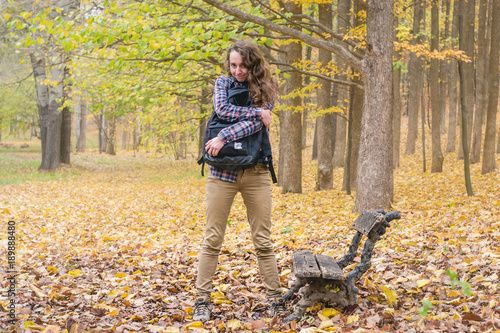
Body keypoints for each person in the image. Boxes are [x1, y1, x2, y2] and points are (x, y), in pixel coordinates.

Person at [193, 40, 285, 322]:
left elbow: (257, 125)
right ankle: (202, 301)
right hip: (222, 174)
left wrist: (223, 136)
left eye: (243, 65)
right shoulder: (222, 83)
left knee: (263, 241)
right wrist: (258, 112)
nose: (237, 70)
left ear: (253, 63)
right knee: (212, 239)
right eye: (233, 65)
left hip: (256, 173)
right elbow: (223, 111)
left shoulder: (268, 86)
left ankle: (275, 300)